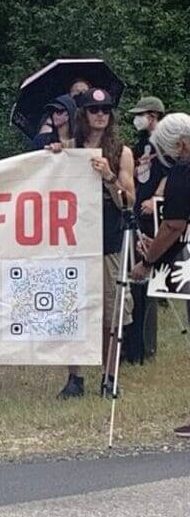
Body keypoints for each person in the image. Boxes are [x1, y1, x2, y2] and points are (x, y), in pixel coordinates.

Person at [50, 88, 135, 399]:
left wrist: (109, 176)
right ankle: (75, 378)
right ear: (83, 114)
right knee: (74, 313)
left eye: (106, 109)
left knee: (111, 314)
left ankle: (109, 375)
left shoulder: (121, 152)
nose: (101, 114)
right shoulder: (70, 149)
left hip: (108, 242)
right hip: (74, 244)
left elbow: (129, 201)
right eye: (94, 109)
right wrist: (56, 156)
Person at [131, 113, 190, 438]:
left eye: (170, 152)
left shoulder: (184, 171)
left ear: (181, 144)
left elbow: (173, 225)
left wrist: (148, 261)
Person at [124, 96, 166, 362]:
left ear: (152, 115)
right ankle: (135, 344)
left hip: (155, 212)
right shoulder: (142, 143)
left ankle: (147, 347)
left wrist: (156, 198)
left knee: (149, 273)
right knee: (137, 273)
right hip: (138, 209)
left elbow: (169, 173)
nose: (137, 118)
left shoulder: (166, 140)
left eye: (141, 114)